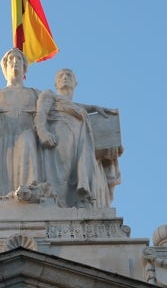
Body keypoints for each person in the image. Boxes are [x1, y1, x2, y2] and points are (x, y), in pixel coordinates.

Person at [35, 69, 113, 208]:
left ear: (75, 83)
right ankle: (57, 204)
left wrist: (94, 108)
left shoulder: (75, 106)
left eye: (69, 75)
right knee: (60, 171)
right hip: (60, 133)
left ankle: (73, 203)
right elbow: (40, 113)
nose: (65, 77)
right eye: (61, 76)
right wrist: (43, 132)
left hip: (79, 139)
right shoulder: (49, 94)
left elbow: (74, 106)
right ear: (55, 83)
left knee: (75, 173)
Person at [0, 48, 47, 199]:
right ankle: (3, 198)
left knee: (27, 142)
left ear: (25, 66)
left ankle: (30, 192)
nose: (14, 62)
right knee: (4, 171)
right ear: (4, 67)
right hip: (2, 136)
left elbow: (59, 106)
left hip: (26, 131)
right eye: (10, 59)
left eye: (18, 59)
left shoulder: (35, 93)